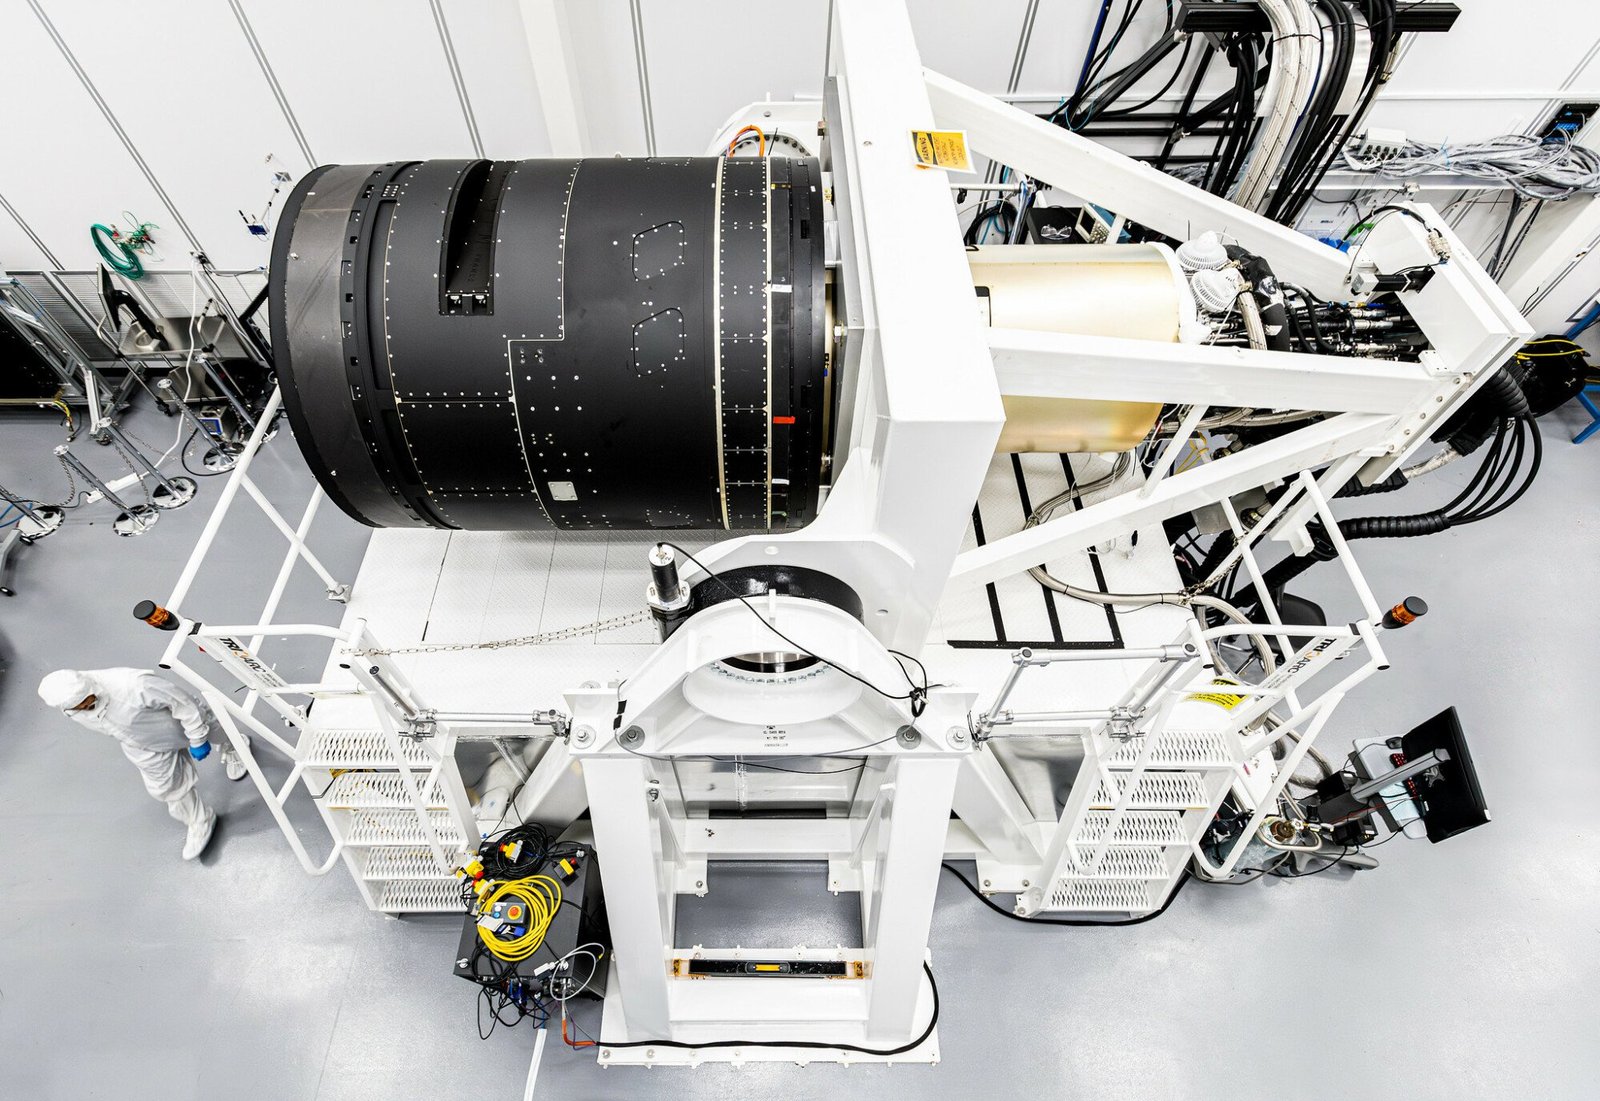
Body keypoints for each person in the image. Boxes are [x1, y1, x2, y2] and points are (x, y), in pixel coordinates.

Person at [38, 668, 249, 860]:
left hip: (176, 724)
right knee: (165, 788)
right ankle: (200, 820)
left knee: (220, 733)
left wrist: (197, 736)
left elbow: (183, 704)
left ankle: (235, 748)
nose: (86, 707)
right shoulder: (72, 708)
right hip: (142, 743)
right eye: (80, 706)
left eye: (87, 700)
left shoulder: (134, 685)